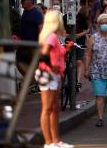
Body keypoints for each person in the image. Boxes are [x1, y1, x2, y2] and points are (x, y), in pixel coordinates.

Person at [36, 10, 73, 148]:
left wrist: (66, 49)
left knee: (55, 108)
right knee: (48, 108)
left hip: (52, 73)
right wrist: (53, 67)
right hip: (48, 73)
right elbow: (44, 54)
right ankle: (49, 142)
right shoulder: (51, 36)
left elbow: (51, 53)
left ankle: (55, 140)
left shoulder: (52, 36)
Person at [16, 0, 43, 77]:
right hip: (23, 44)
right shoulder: (25, 12)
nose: (21, 3)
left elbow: (41, 29)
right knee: (19, 62)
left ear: (29, 1)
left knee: (33, 65)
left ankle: (33, 82)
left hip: (33, 44)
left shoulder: (36, 13)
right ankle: (31, 80)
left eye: (23, 1)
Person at [74, 0, 90, 91]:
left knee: (79, 61)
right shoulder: (64, 17)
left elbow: (87, 30)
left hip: (80, 41)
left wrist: (79, 35)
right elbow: (62, 30)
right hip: (68, 41)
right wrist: (68, 35)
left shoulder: (81, 16)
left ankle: (78, 81)